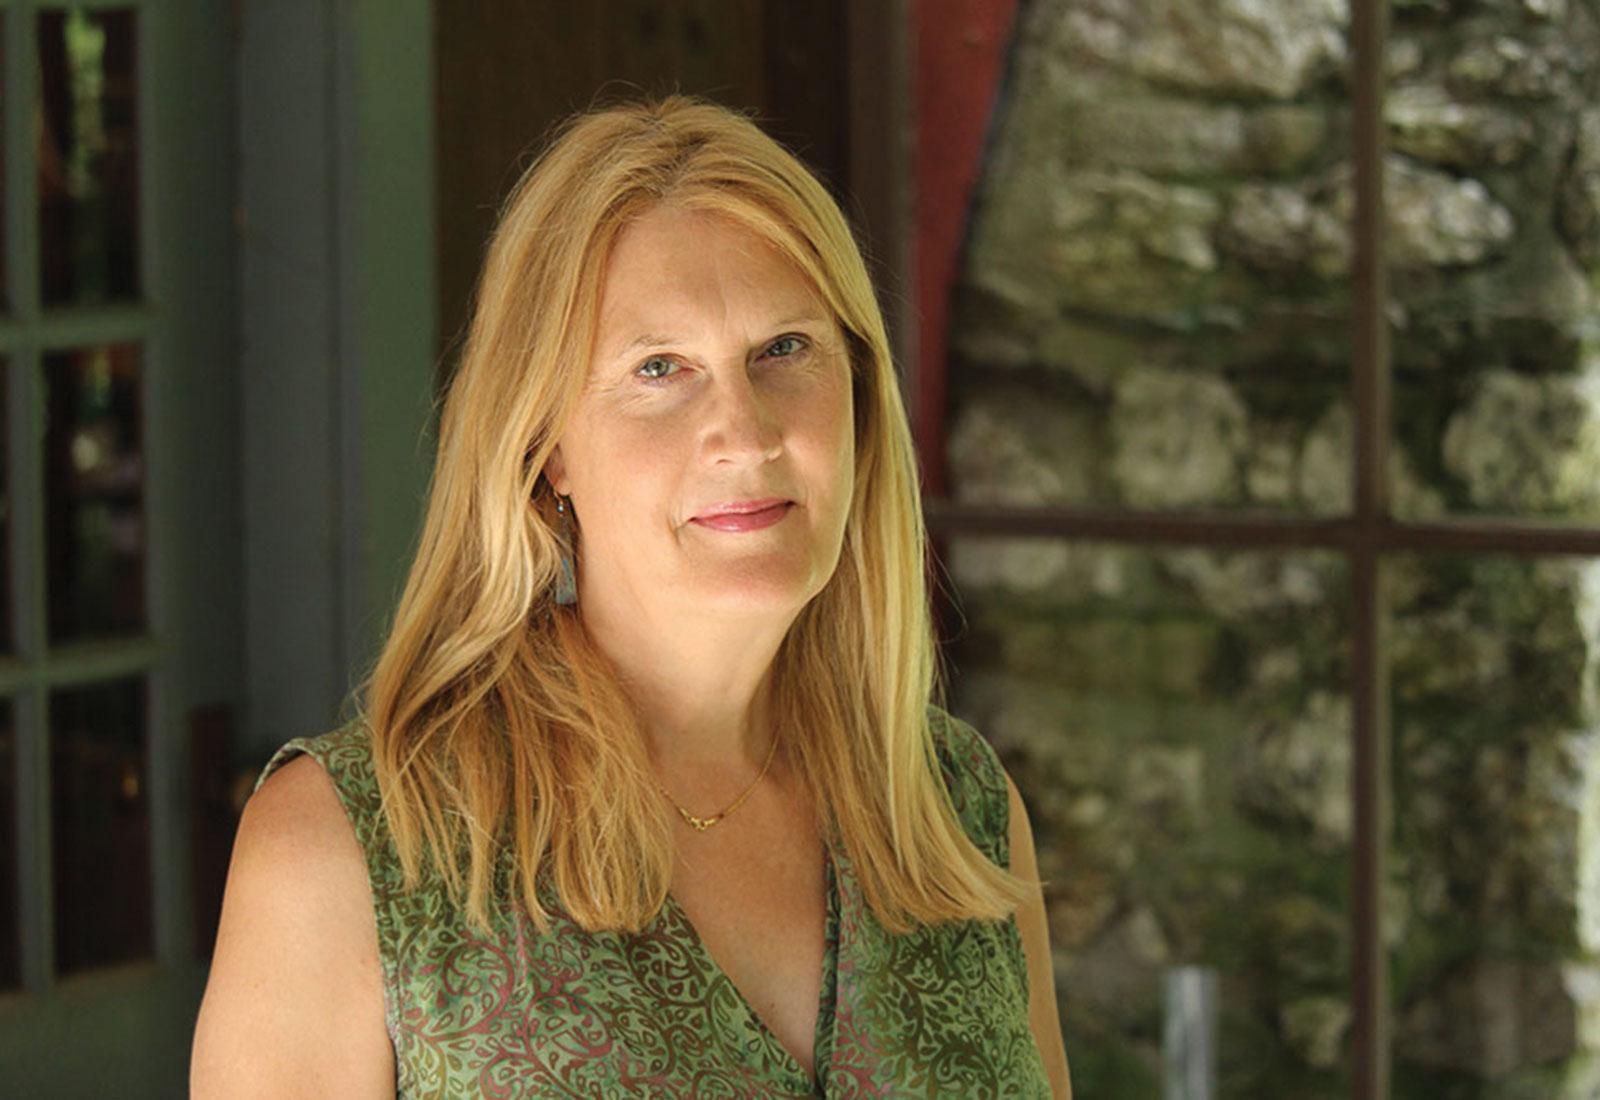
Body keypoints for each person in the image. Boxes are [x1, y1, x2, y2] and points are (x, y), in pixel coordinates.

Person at [190, 93, 1072, 1098]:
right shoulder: (347, 851)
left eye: (783, 350)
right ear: (546, 445)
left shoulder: (958, 807)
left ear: (860, 399)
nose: (744, 433)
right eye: (660, 368)